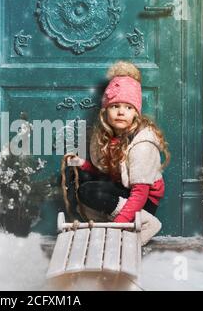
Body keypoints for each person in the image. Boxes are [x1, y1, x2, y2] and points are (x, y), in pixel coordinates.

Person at [63, 61, 170, 245]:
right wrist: (84, 165)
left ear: (136, 114)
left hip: (143, 201)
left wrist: (118, 227)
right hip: (125, 191)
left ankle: (146, 222)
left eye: (128, 108)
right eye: (115, 106)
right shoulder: (110, 137)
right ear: (105, 112)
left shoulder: (142, 144)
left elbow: (140, 192)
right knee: (86, 189)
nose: (121, 112)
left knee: (94, 193)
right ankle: (121, 221)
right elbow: (111, 172)